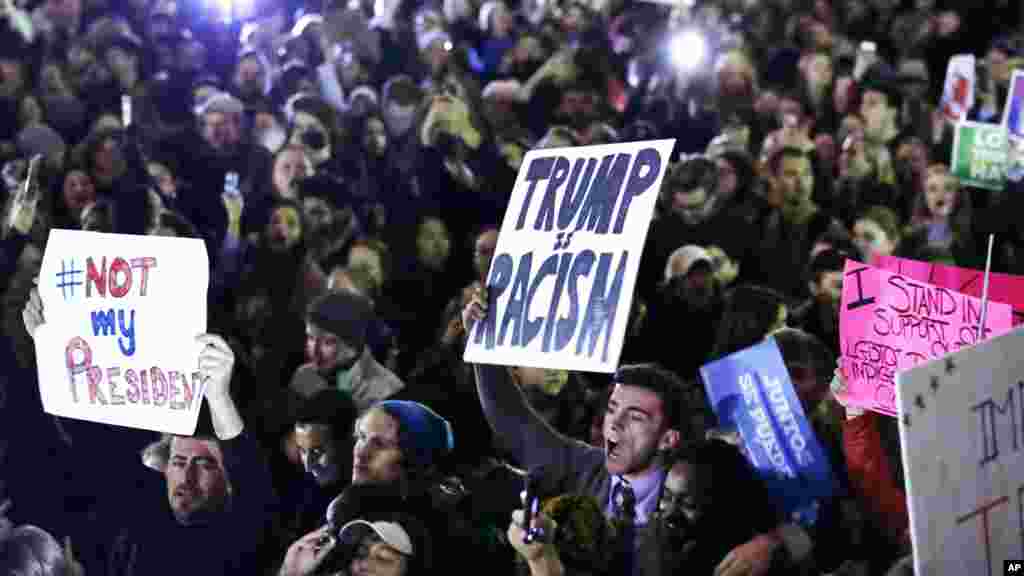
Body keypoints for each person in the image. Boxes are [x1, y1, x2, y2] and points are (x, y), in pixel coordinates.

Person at [462, 289, 801, 576]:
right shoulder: (586, 466)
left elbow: (805, 525)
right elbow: (515, 424)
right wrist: (483, 345)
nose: (615, 425)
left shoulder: (701, 486)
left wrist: (772, 543)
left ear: (669, 438)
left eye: (635, 417)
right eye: (612, 410)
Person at [22, 286, 277, 576]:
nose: (186, 477)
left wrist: (218, 397)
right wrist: (51, 346)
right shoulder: (144, 508)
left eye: (205, 464)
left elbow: (253, 487)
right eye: (179, 462)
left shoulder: (239, 542)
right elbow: (88, 439)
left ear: (229, 480)